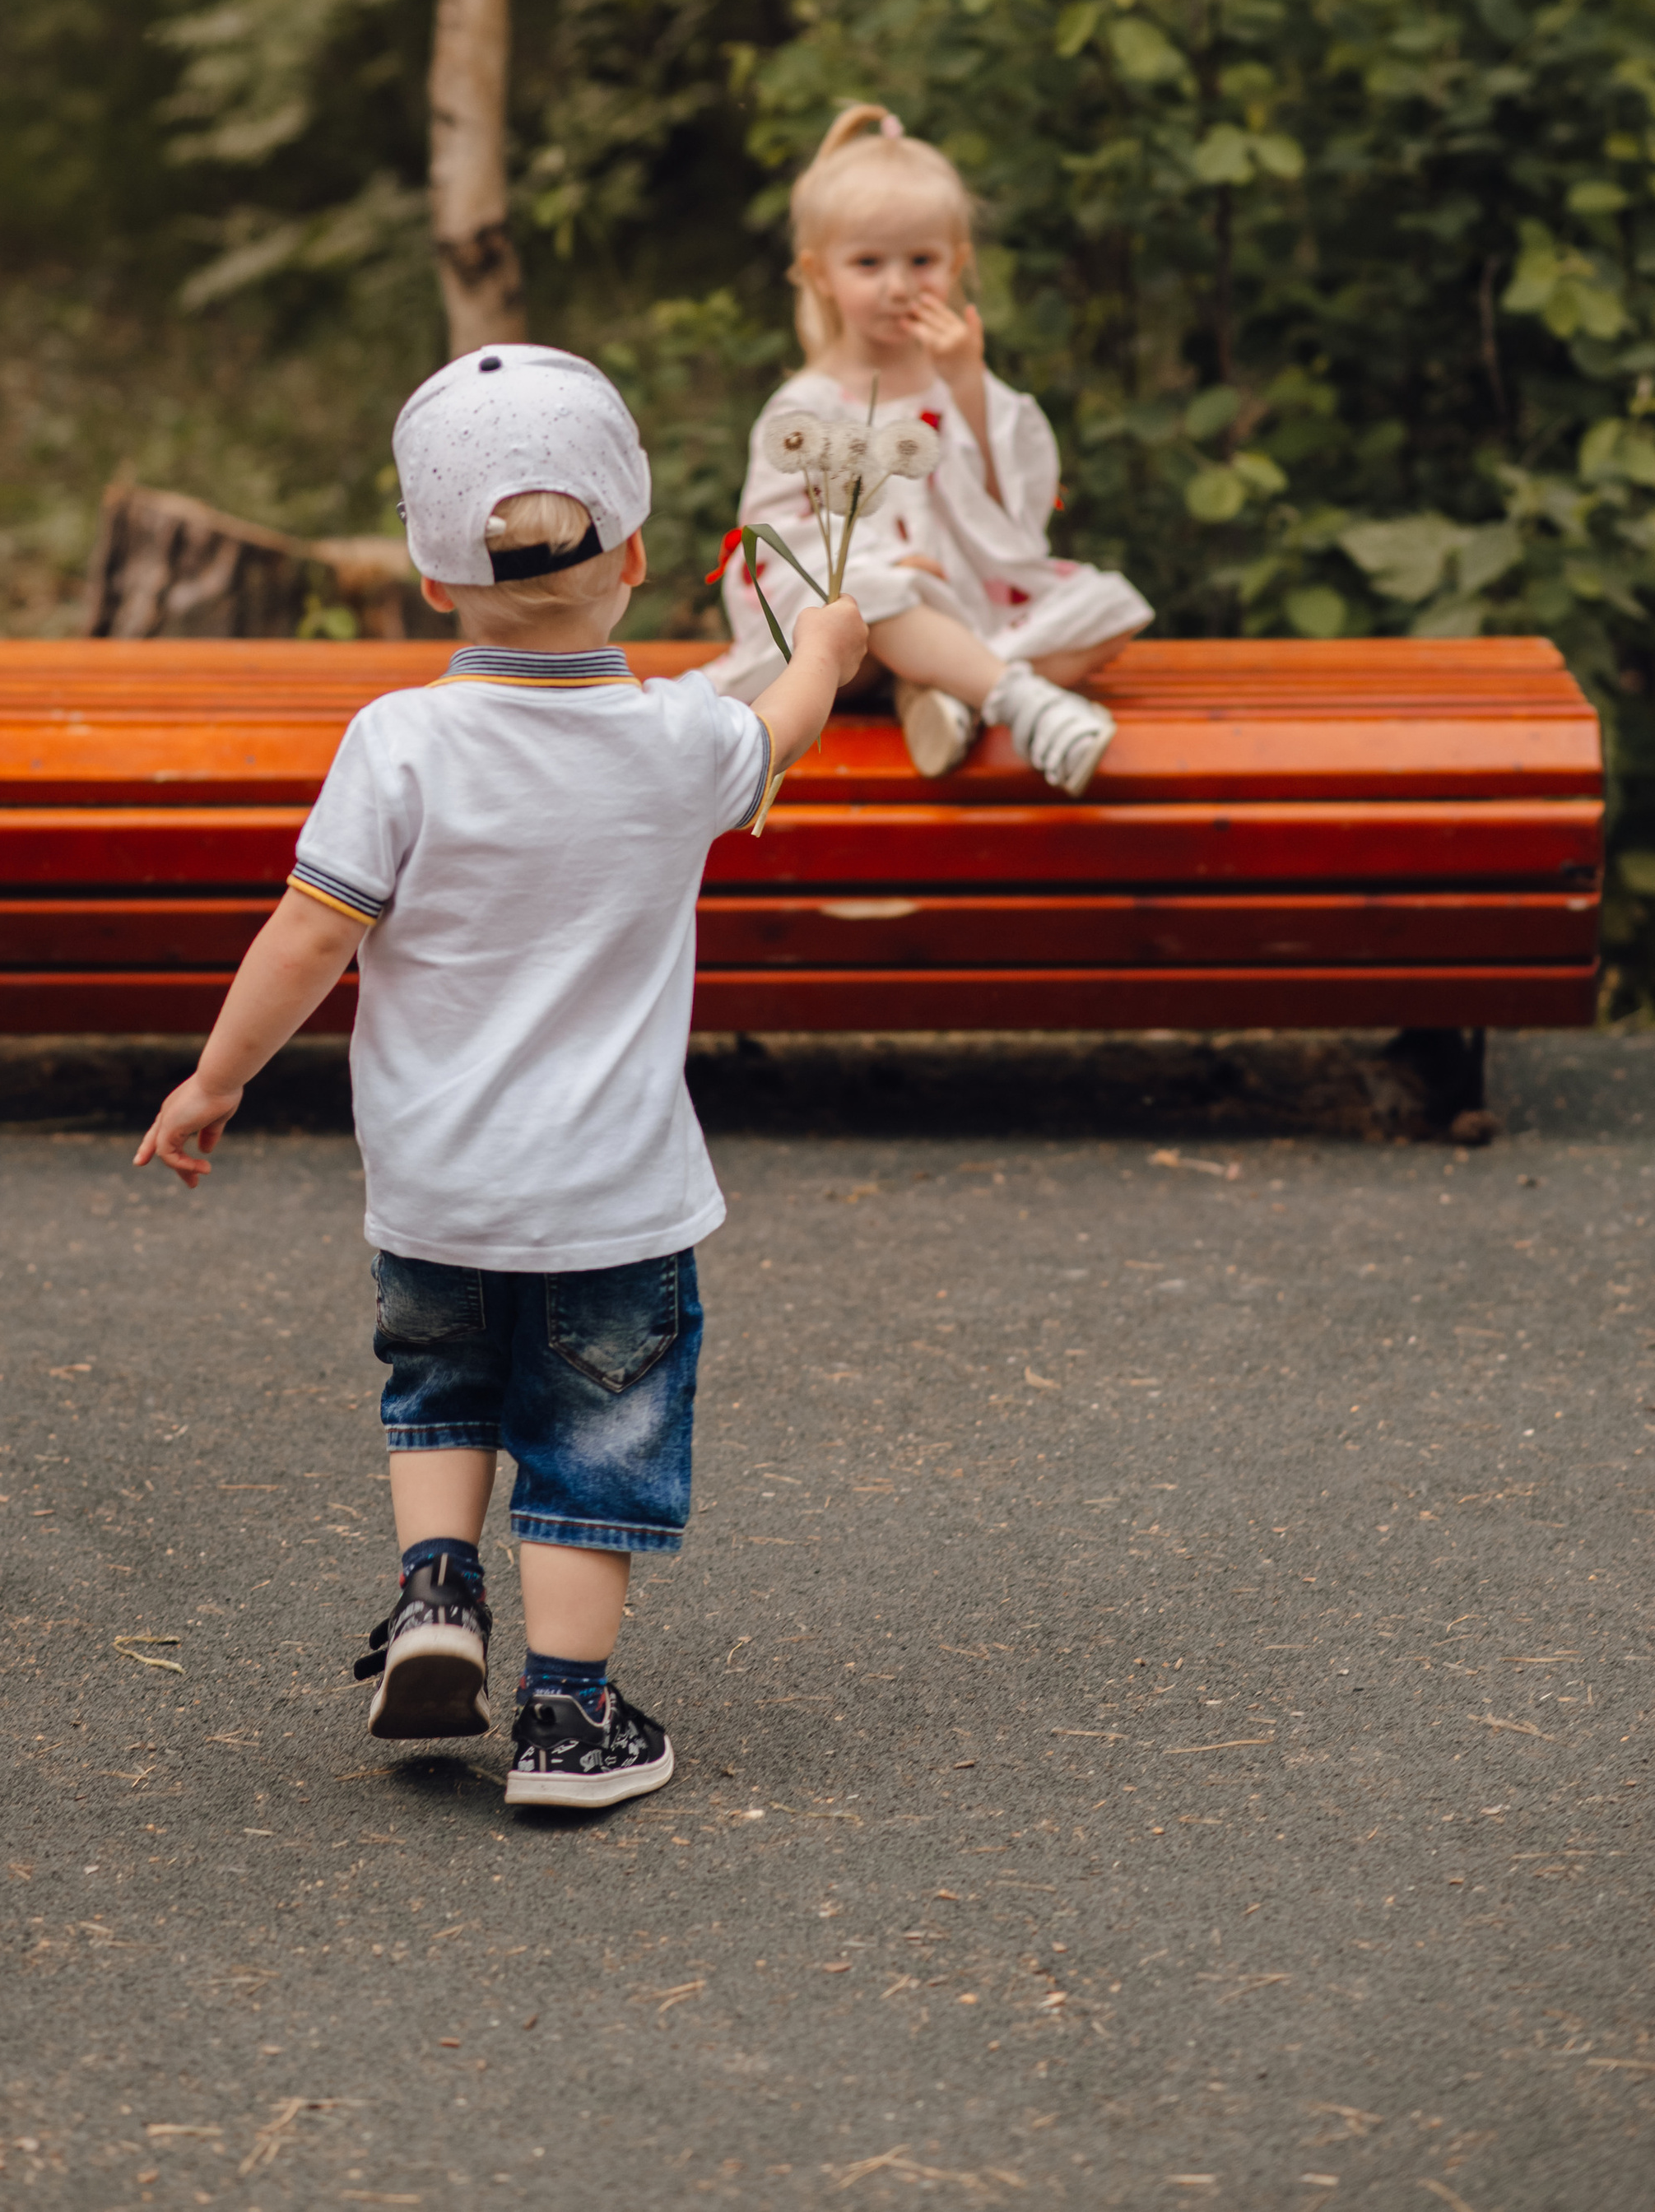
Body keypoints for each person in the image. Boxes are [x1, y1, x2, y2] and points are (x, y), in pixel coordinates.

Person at [135, 345, 867, 1810]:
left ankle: (434, 1593)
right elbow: (774, 734)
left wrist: (213, 1079)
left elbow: (307, 934)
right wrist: (825, 655)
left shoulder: (396, 741)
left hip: (435, 1181)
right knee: (596, 1437)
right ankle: (572, 1718)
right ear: (640, 555)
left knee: (443, 1388)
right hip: (612, 1196)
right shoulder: (676, 737)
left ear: (428, 577)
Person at [704, 102, 1151, 796]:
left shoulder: (958, 380)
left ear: (958, 263)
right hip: (854, 640)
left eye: (922, 260)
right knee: (874, 594)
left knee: (1109, 611)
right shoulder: (808, 407)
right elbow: (768, 545)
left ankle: (941, 692)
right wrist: (883, 565)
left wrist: (968, 381)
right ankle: (1018, 703)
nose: (898, 286)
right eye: (868, 263)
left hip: (963, 607)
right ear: (820, 273)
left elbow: (1021, 512)